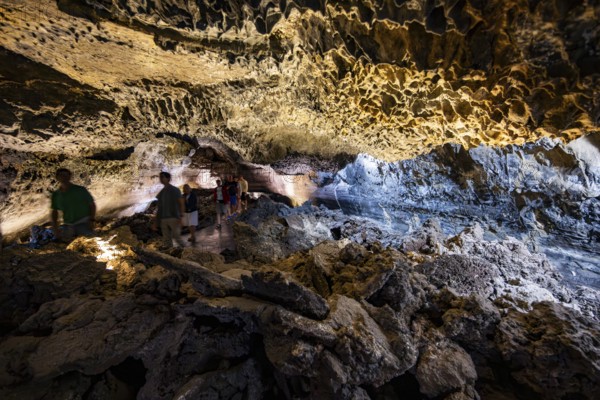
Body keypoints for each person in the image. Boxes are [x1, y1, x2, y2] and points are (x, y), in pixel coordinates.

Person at [51, 168, 96, 241]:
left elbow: (92, 204)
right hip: (68, 225)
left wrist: (92, 220)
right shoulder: (56, 194)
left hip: (83, 222)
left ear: (70, 176)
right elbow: (54, 212)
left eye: (66, 175)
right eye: (61, 175)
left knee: (90, 242)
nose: (64, 177)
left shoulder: (80, 190)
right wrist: (55, 229)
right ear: (57, 177)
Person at [152, 172, 185, 249]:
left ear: (168, 179)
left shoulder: (175, 190)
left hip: (174, 217)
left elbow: (181, 203)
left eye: (163, 177)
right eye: (160, 177)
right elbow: (159, 208)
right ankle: (170, 254)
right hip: (164, 219)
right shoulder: (161, 193)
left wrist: (181, 216)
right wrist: (156, 222)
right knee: (166, 240)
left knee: (177, 237)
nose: (161, 179)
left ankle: (187, 252)